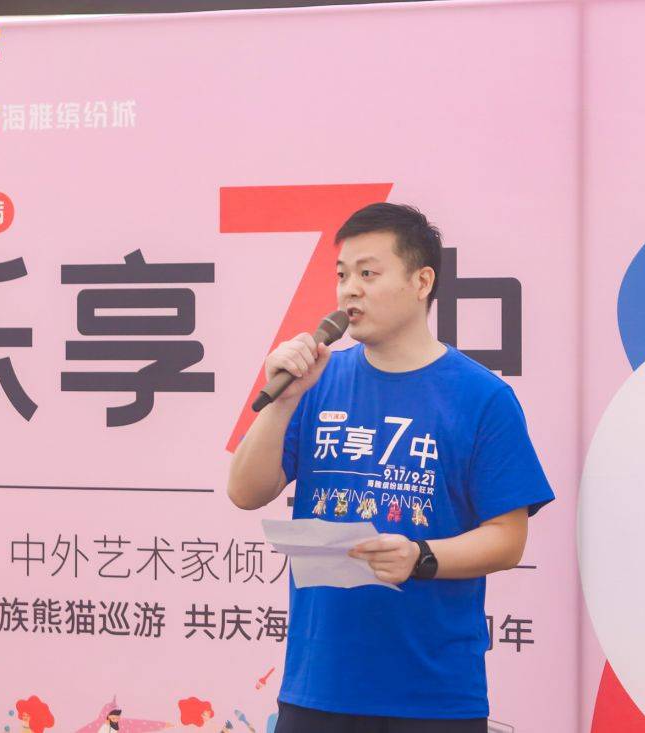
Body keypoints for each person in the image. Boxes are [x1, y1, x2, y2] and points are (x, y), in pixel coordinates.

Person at [228, 203, 554, 732]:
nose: (349, 290)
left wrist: (420, 556)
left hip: (433, 696)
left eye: (368, 273)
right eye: (342, 275)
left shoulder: (482, 397)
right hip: (317, 685)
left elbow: (507, 539)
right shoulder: (318, 383)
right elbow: (245, 491)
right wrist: (284, 401)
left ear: (422, 281)